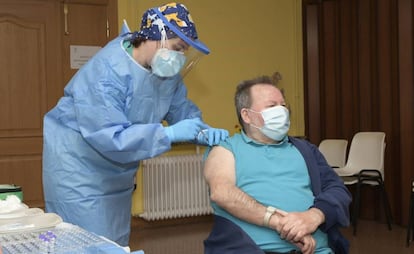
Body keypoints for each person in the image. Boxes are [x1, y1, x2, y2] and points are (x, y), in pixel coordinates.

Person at [42, 2, 228, 247]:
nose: (179, 57)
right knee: (84, 244)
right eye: (177, 48)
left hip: (118, 174)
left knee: (114, 243)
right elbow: (109, 136)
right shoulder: (107, 72)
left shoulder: (164, 73)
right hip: (78, 171)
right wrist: (168, 133)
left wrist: (202, 131)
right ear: (155, 36)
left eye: (184, 51)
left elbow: (180, 109)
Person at [203, 76, 352, 254]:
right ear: (247, 115)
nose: (282, 110)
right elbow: (222, 192)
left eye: (283, 105)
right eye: (272, 106)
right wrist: (284, 225)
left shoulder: (306, 150)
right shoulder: (226, 148)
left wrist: (314, 216)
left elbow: (337, 189)